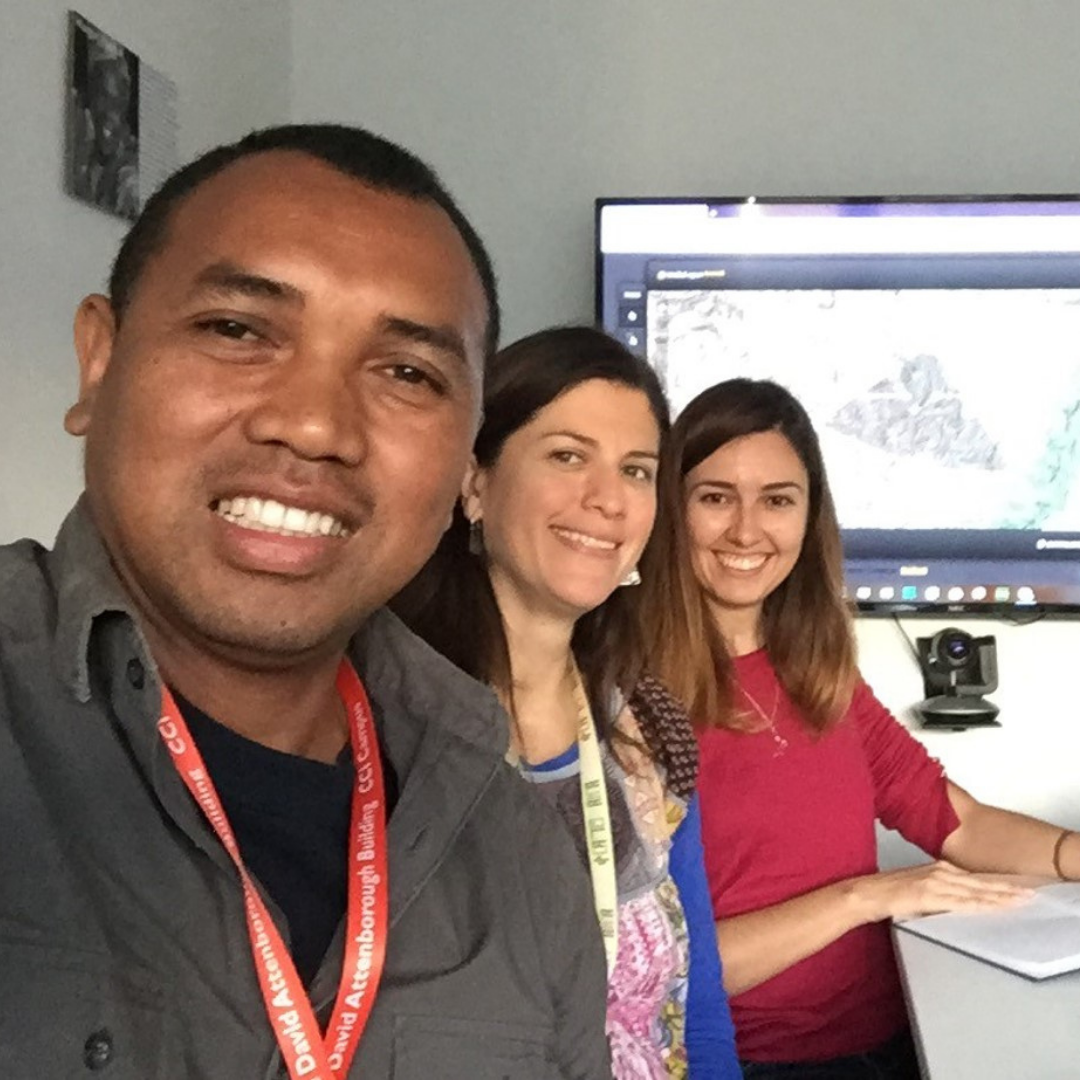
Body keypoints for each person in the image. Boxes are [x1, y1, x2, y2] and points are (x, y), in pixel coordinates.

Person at [0, 125, 613, 1079]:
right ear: (98, 360)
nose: (317, 424)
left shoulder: (516, 853)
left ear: (465, 465)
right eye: (239, 330)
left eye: (408, 373)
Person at [640, 377, 1080, 1079]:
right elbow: (662, 974)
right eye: (716, 497)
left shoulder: (820, 672)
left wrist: (1069, 855)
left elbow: (950, 818)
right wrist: (868, 896)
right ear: (671, 509)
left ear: (809, 517)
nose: (747, 531)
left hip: (898, 1033)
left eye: (778, 500)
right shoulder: (630, 699)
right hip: (754, 1061)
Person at [393, 326, 741, 1080]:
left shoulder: (647, 729)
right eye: (567, 456)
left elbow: (698, 1005)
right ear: (476, 482)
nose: (608, 500)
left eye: (638, 471)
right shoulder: (383, 726)